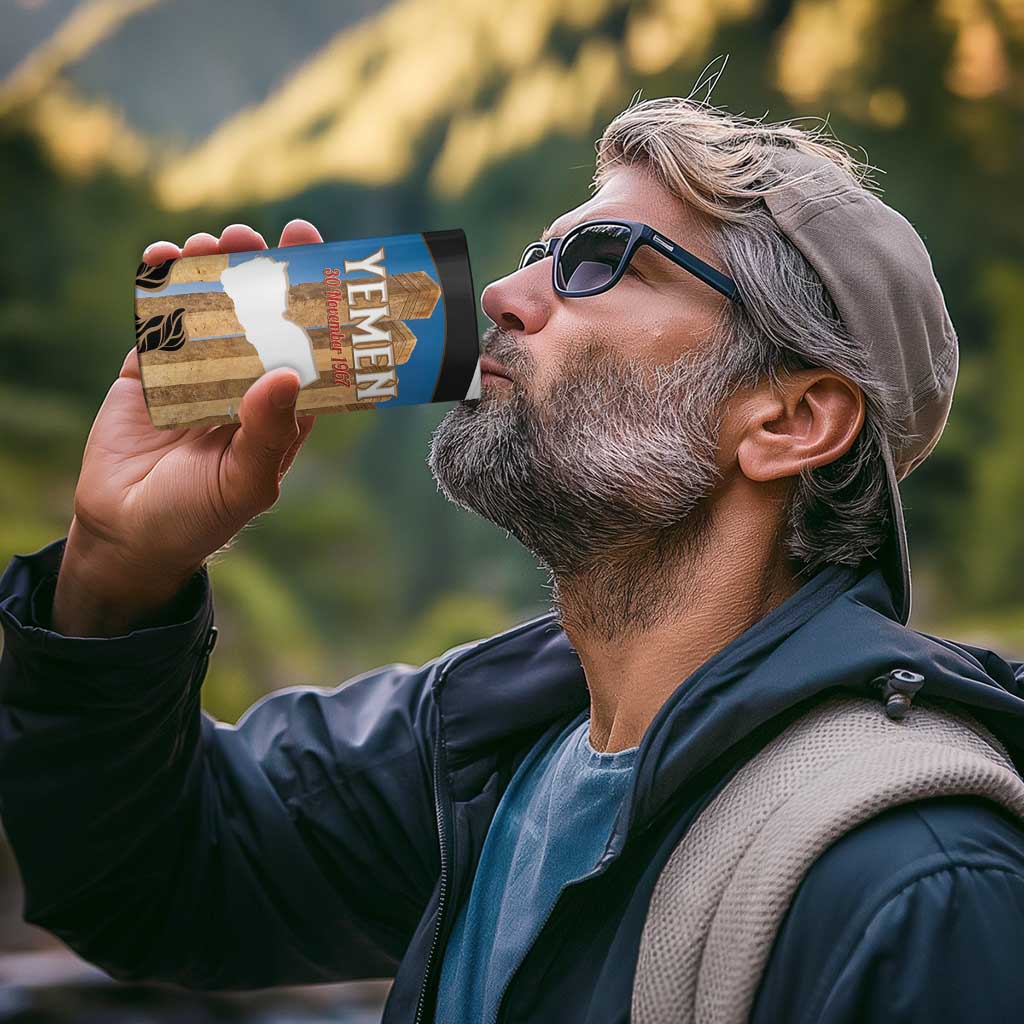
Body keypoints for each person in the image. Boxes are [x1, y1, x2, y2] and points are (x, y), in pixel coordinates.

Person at [2, 94, 1024, 1024]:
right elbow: (148, 880)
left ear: (790, 419)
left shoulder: (918, 884)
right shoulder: (481, 748)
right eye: (540, 252)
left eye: (600, 261)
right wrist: (116, 571)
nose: (501, 291)